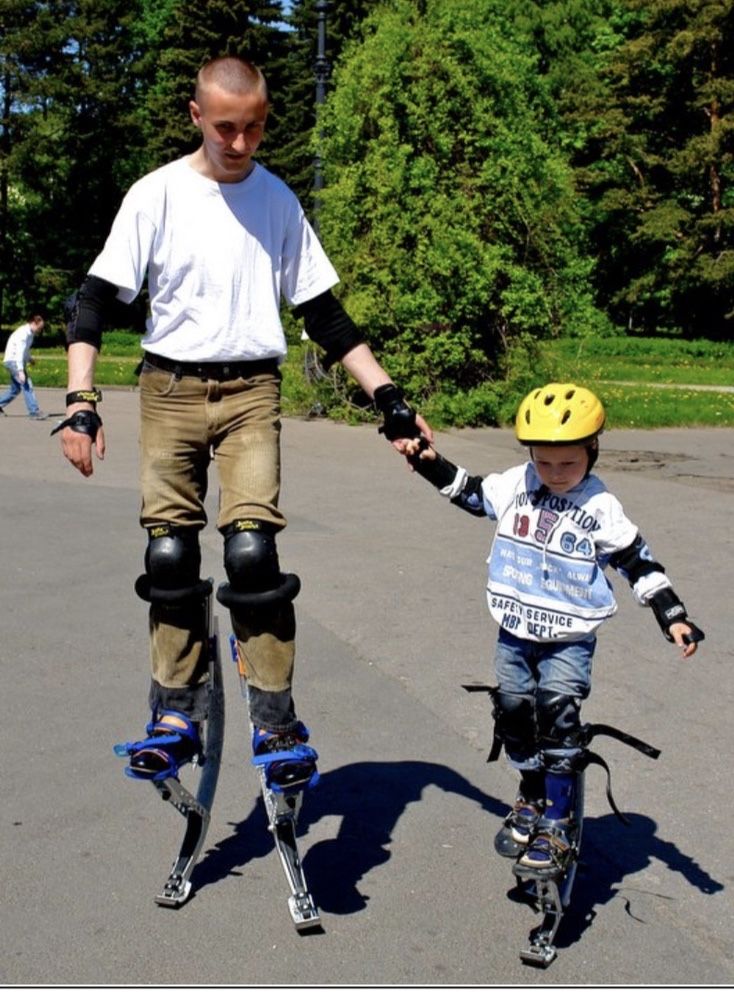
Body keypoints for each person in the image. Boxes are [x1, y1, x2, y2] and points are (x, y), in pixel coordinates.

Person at [56, 55, 430, 792]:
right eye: (226, 126)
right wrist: (80, 400)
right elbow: (93, 299)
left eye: (255, 127)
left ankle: (276, 715)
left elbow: (323, 315)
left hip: (253, 390)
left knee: (253, 552)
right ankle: (174, 711)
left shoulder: (278, 202)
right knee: (169, 556)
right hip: (167, 389)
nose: (241, 142)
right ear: (197, 116)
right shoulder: (155, 194)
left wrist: (388, 399)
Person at [405, 383, 701, 872]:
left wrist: (672, 614)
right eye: (544, 462)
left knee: (557, 712)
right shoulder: (517, 483)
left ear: (592, 452)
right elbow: (471, 493)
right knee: (515, 714)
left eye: (568, 464)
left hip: (568, 637)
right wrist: (425, 460)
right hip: (515, 631)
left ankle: (559, 819)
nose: (556, 474)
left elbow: (637, 561)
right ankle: (531, 796)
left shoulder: (599, 506)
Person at [1, 315, 47, 419]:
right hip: (13, 361)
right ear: (33, 323)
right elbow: (19, 353)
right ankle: (34, 412)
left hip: (14, 361)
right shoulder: (23, 334)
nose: (40, 330)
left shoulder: (30, 333)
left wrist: (30, 359)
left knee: (15, 389)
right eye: (39, 328)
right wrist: (21, 371)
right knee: (27, 384)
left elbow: (25, 350)